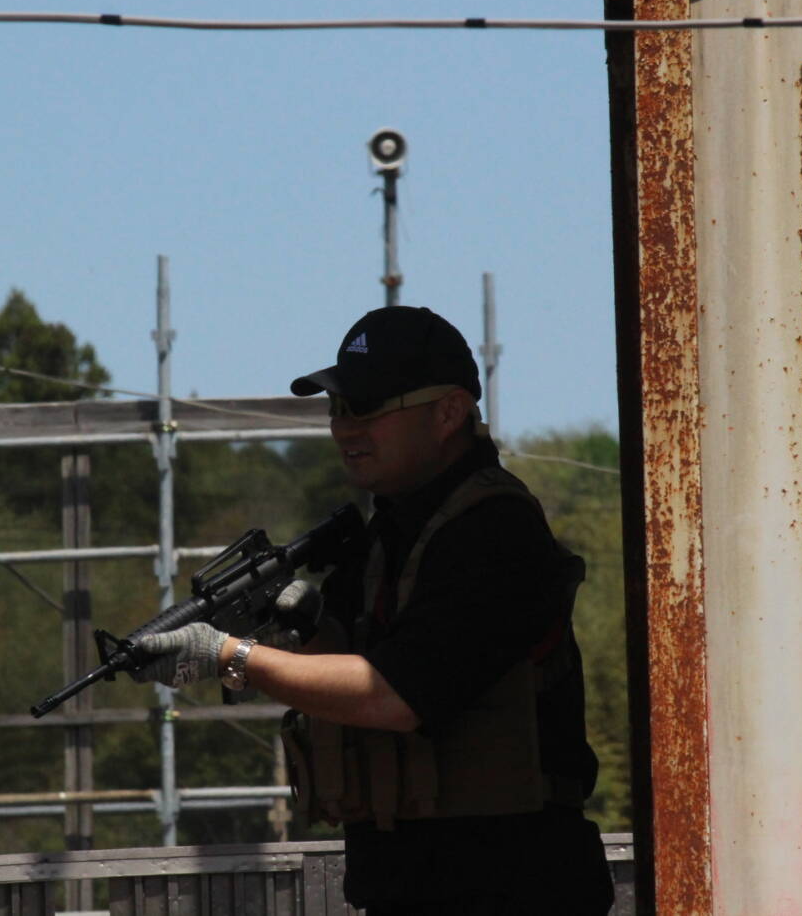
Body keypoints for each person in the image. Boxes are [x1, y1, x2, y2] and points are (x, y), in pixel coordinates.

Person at [131, 306, 614, 915]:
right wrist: (309, 629)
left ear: (449, 412)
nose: (345, 428)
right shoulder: (389, 532)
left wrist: (230, 656)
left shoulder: (493, 529)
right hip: (414, 884)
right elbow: (347, 673)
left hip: (512, 884)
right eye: (337, 408)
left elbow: (396, 695)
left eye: (367, 407)